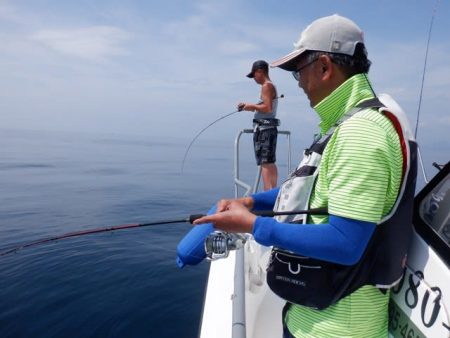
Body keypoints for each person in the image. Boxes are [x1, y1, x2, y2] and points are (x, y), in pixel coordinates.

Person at [193, 14, 417, 338]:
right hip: (310, 317)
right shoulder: (341, 125)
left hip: (339, 330)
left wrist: (254, 226)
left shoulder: (361, 134)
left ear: (324, 67)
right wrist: (252, 201)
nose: (297, 81)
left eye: (299, 70)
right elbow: (306, 191)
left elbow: (346, 242)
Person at [238, 60, 279, 191]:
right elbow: (265, 107)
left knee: (265, 163)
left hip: (264, 130)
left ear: (260, 71)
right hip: (269, 129)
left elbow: (267, 108)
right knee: (269, 162)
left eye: (254, 75)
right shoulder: (270, 86)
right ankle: (272, 192)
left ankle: (267, 194)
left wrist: (251, 106)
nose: (254, 79)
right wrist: (249, 107)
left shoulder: (266, 86)